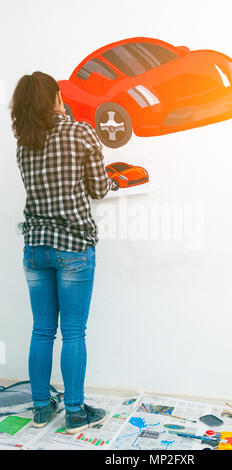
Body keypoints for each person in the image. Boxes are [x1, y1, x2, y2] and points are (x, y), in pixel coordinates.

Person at [9, 71, 117, 434]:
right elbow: (99, 189)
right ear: (57, 96)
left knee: (42, 330)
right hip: (72, 246)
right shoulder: (80, 132)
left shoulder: (24, 144)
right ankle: (74, 412)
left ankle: (41, 407)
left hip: (35, 248)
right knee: (72, 332)